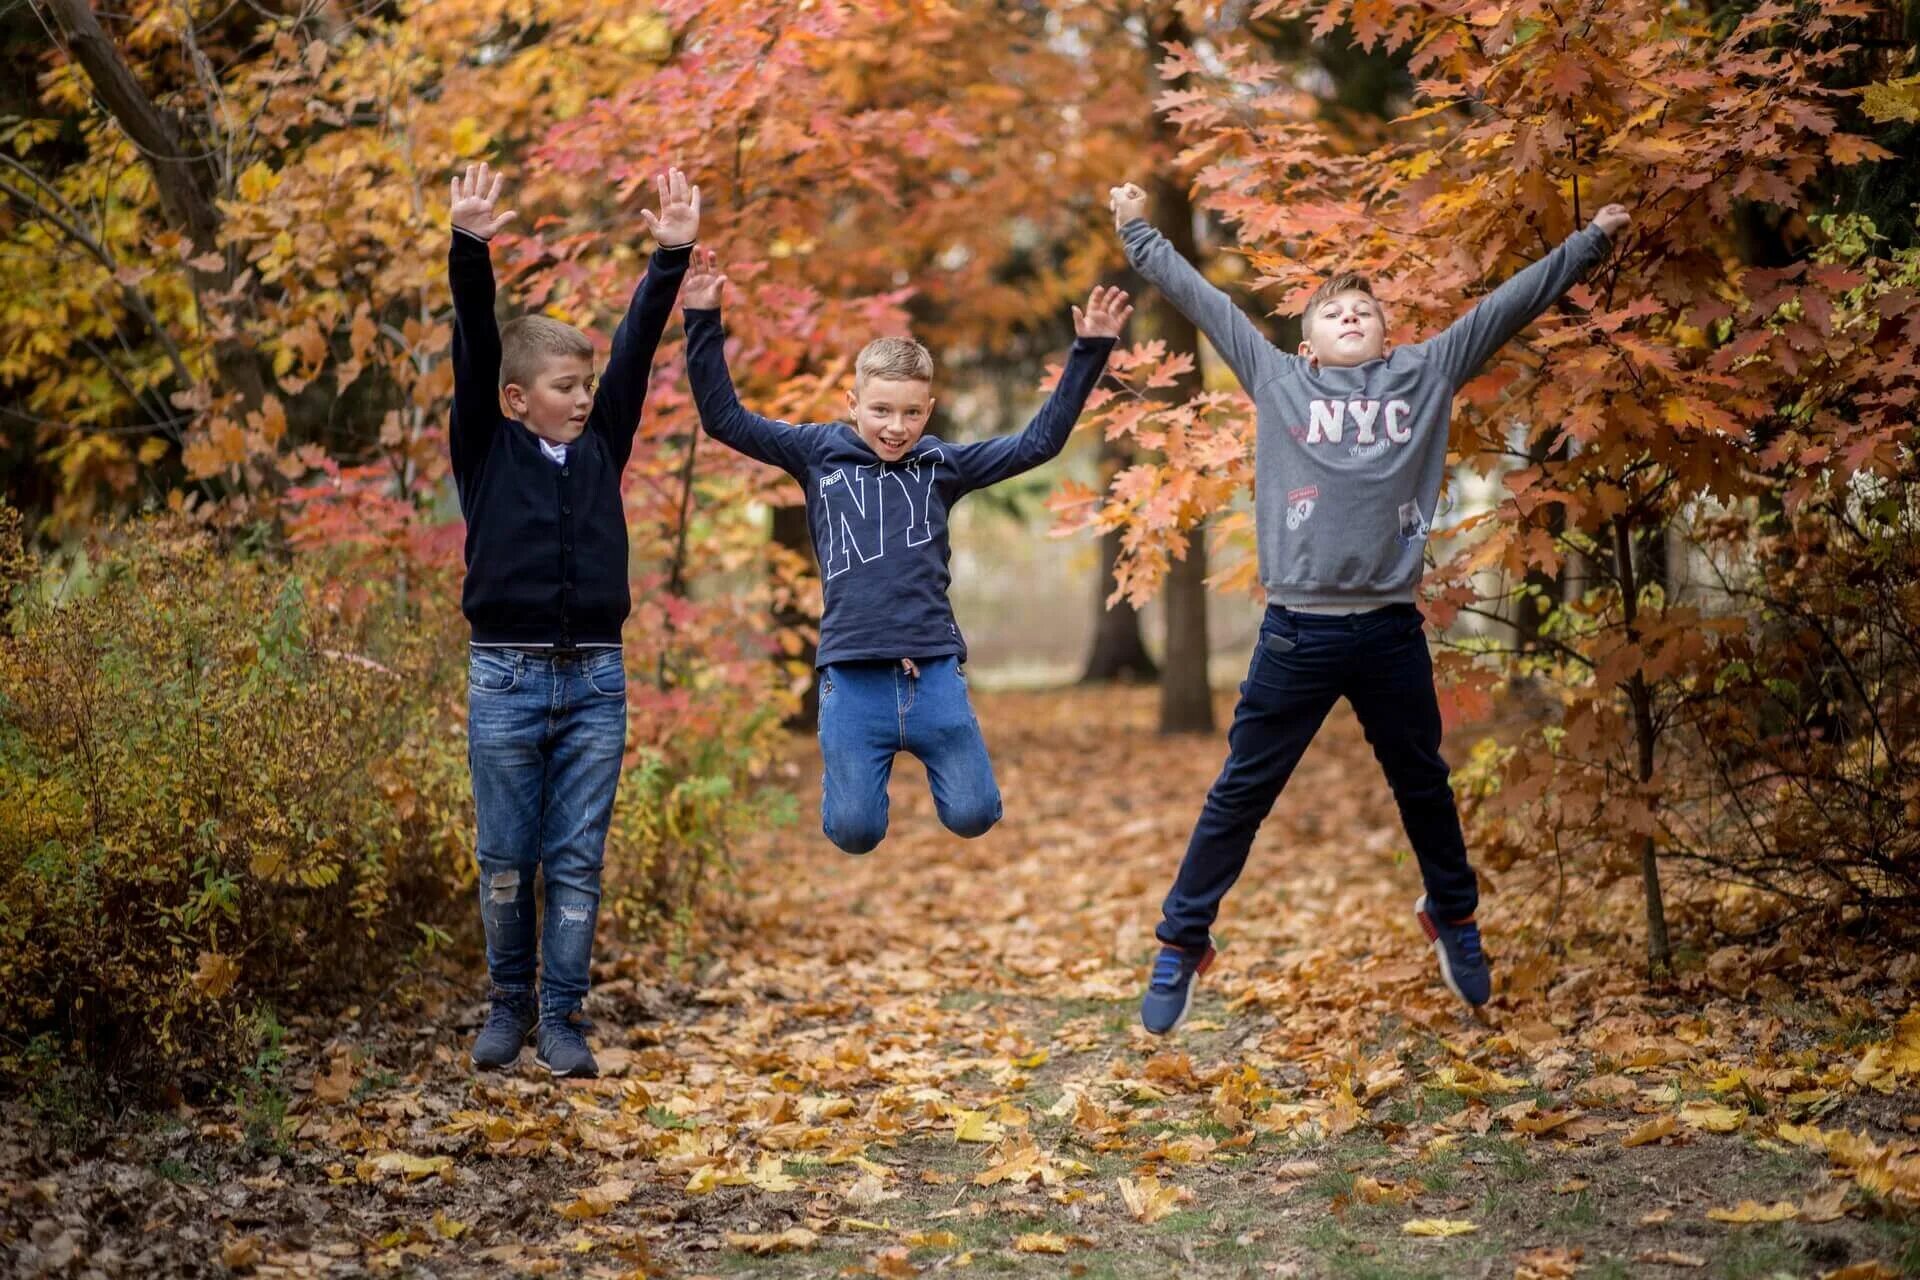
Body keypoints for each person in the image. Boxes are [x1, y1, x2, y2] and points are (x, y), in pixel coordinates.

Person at [1108, 178, 1630, 1032]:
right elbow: (1204, 301)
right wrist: (1138, 233)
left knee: (1424, 784)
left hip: (1389, 632)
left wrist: (1591, 242)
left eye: (1365, 308)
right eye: (1332, 311)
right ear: (1306, 342)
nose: (1350, 315)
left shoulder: (1426, 374)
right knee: (1240, 792)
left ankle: (1453, 918)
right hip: (1297, 635)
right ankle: (1182, 941)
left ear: (1389, 334)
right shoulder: (1277, 380)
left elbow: (1509, 305)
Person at [681, 246, 1129, 853]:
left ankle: (955, 774)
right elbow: (724, 419)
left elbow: (1039, 443)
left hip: (933, 672)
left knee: (973, 814)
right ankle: (853, 786)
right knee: (854, 832)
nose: (896, 426)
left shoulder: (942, 464)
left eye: (912, 412)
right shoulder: (817, 452)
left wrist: (1089, 352)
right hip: (852, 676)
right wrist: (703, 318)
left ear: (930, 409)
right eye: (881, 410)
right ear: (853, 404)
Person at [448, 161, 700, 1077]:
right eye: (564, 386)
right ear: (518, 401)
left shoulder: (601, 446)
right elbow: (475, 343)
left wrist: (668, 258)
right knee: (507, 858)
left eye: (585, 384)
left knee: (578, 861)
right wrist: (469, 245)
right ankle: (507, 1006)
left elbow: (635, 349)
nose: (584, 395)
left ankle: (562, 1017)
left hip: (595, 677)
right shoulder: (486, 446)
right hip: (506, 679)